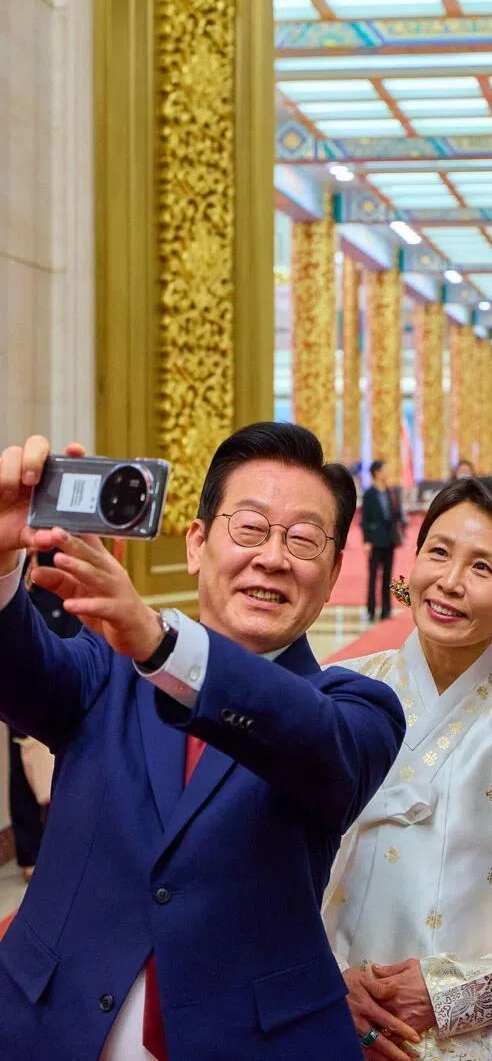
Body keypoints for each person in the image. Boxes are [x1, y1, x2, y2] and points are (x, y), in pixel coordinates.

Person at [0, 424, 406, 1060]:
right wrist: (1, 563)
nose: (272, 557)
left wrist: (165, 645)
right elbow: (15, 669)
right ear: (196, 543)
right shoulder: (104, 669)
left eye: (302, 540)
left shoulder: (355, 710)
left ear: (330, 577)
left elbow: (320, 749)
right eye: (249, 528)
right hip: (46, 1026)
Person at [323, 476, 492, 1061]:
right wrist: (323, 982)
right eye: (439, 552)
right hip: (322, 1010)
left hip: (463, 1038)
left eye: (483, 567)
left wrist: (447, 995)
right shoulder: (335, 695)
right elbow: (262, 861)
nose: (449, 583)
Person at [6, 551, 82, 882]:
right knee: (20, 774)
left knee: (65, 774)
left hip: (61, 686)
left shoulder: (63, 590)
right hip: (18, 690)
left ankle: (67, 849)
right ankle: (28, 851)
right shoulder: (15, 589)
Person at [362, 459, 405, 622]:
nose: (387, 473)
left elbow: (396, 514)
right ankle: (371, 609)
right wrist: (366, 540)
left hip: (389, 540)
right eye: (385, 470)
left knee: (388, 576)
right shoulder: (369, 493)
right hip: (374, 540)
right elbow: (365, 519)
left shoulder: (390, 492)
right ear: (377, 472)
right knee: (373, 577)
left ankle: (386, 610)